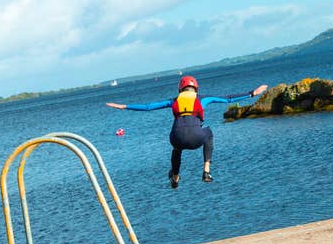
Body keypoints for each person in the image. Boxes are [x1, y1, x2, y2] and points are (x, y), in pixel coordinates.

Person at [106, 76, 268, 188]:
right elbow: (228, 98)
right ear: (195, 88)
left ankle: (175, 177)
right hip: (196, 137)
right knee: (209, 133)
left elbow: (148, 107)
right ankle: (206, 171)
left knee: (177, 149)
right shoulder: (203, 98)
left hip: (176, 137)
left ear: (180, 89)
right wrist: (252, 93)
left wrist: (124, 106)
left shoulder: (174, 100)